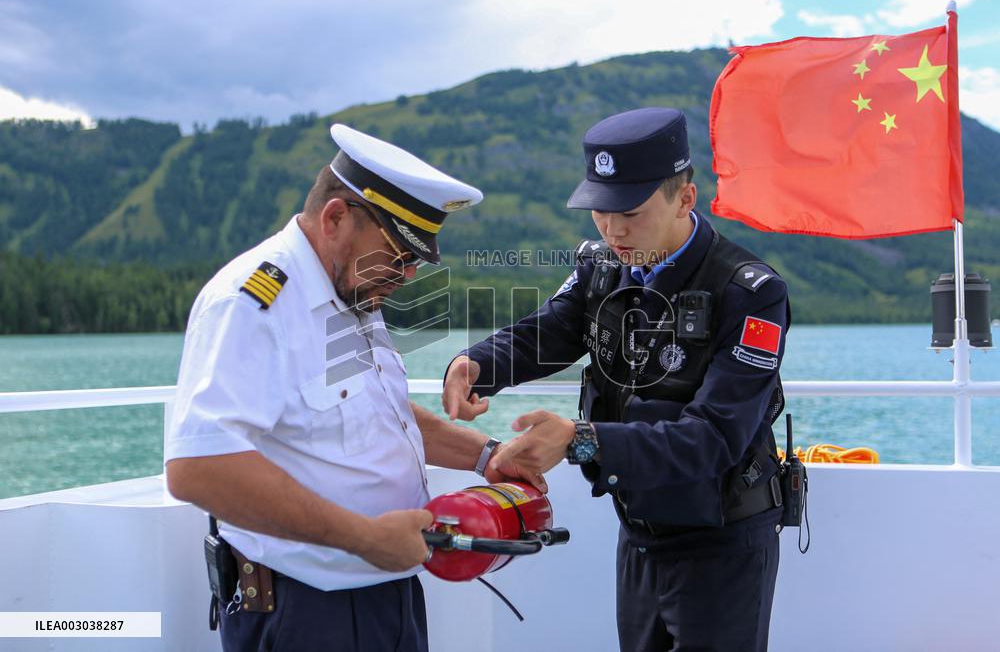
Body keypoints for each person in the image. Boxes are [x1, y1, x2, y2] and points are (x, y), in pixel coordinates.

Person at [165, 123, 541, 651]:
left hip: (386, 593)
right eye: (399, 254)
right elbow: (197, 468)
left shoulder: (351, 286)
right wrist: (364, 539)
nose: (407, 275)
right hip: (305, 610)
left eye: (416, 260)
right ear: (336, 218)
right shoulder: (252, 303)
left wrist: (487, 456)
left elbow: (378, 412)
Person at [442, 107, 791, 651]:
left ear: (685, 198)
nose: (614, 229)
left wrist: (579, 439)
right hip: (640, 530)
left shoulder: (749, 293)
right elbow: (545, 335)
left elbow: (715, 438)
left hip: (722, 543)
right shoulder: (603, 268)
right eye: (599, 211)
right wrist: (476, 366)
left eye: (630, 210)